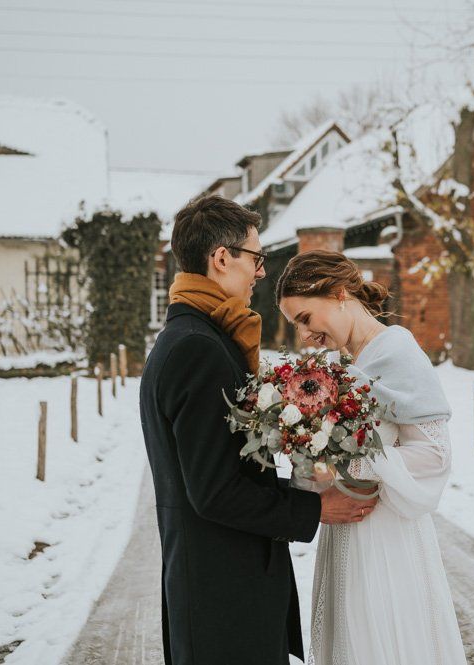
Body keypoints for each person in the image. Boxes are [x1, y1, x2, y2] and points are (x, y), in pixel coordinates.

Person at [139, 196, 378, 665]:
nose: (262, 272)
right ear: (221, 258)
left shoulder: (194, 338)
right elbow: (214, 491)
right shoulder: (197, 350)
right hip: (224, 601)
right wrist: (314, 508)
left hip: (221, 592)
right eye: (256, 257)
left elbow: (218, 473)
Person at [276, 250, 468, 665]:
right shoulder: (339, 364)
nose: (305, 335)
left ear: (339, 294)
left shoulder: (397, 351)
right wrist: (309, 457)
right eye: (296, 325)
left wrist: (356, 466)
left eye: (305, 318)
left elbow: (435, 455)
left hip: (386, 538)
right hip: (344, 533)